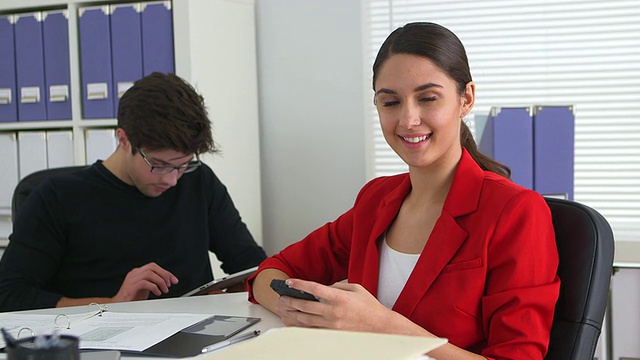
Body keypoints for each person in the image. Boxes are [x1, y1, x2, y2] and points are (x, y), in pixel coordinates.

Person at [248, 22, 560, 360]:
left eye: (427, 98)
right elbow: (272, 272)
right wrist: (297, 309)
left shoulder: (515, 211)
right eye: (391, 102)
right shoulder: (376, 199)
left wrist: (382, 326)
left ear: (466, 99)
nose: (408, 119)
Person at [0, 72, 267, 312]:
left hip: (196, 341)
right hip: (103, 346)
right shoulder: (56, 197)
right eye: (159, 165)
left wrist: (237, 294)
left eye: (182, 165)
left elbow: (251, 265)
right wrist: (115, 304)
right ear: (124, 140)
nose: (173, 180)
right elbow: (10, 295)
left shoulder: (199, 181)